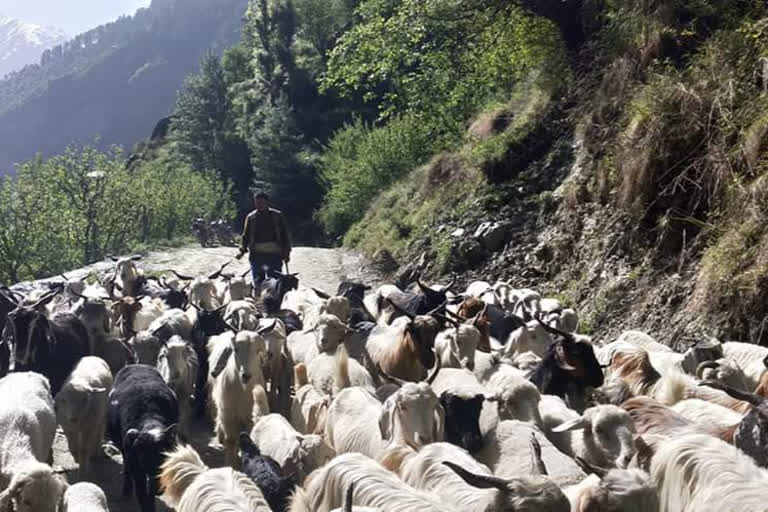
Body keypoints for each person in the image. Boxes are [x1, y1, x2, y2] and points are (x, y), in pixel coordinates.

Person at [236, 191, 291, 288]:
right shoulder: (251, 217)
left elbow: (285, 236)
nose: (259, 205)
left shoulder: (277, 216)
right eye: (257, 203)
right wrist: (242, 250)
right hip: (257, 255)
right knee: (258, 281)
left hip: (274, 255)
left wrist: (286, 253)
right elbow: (246, 236)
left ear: (267, 202)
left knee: (275, 281)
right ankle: (259, 300)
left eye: (261, 202)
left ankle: (274, 301)